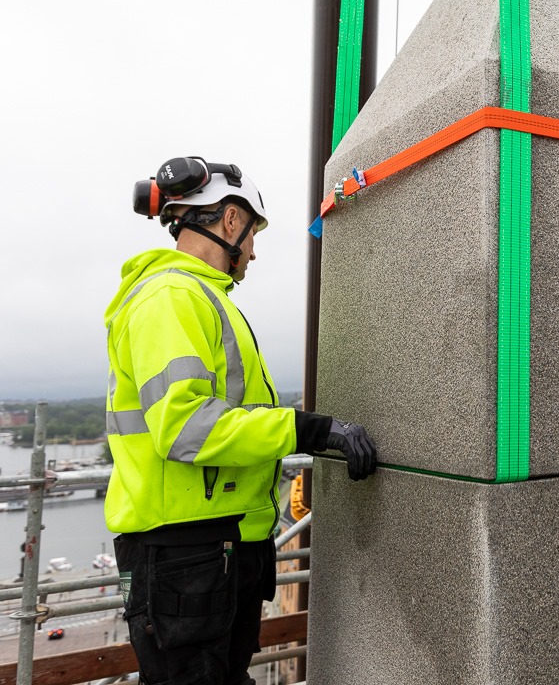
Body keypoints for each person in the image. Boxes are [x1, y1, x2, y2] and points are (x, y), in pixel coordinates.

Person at [105, 157, 379, 685]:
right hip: (185, 553)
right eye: (253, 232)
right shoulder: (172, 298)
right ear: (230, 222)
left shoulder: (203, 298)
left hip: (214, 550)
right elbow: (185, 428)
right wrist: (312, 430)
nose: (253, 249)